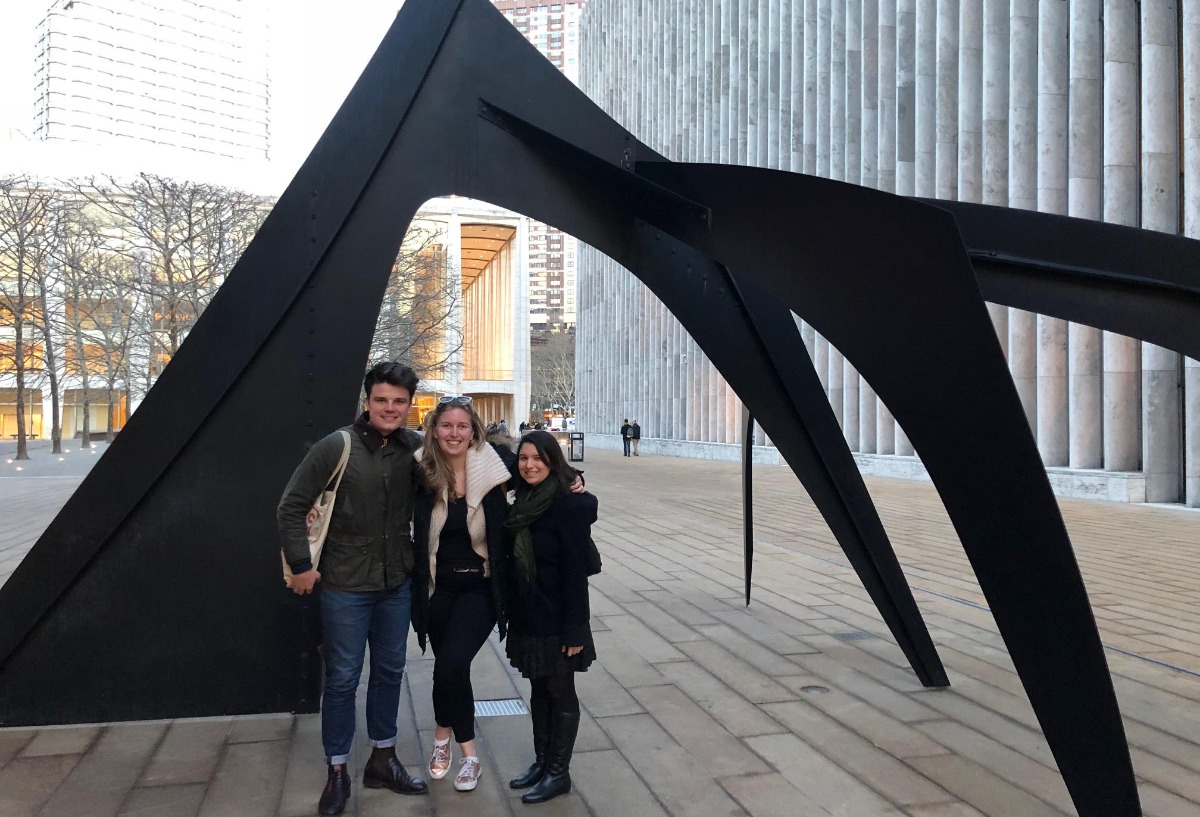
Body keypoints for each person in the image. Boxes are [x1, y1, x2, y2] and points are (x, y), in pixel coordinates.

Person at [277, 362, 428, 817]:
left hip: (395, 583)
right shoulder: (337, 446)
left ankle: (383, 759)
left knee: (389, 673)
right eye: (382, 399)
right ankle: (337, 771)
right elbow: (290, 506)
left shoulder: (415, 449)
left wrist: (568, 480)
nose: (390, 408)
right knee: (342, 680)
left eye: (399, 401)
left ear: (408, 405)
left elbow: (470, 460)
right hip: (345, 584)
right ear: (368, 401)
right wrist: (301, 566)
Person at [411, 396, 514, 793]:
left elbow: (542, 470)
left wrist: (575, 479)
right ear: (435, 429)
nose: (455, 433)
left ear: (474, 430)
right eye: (447, 426)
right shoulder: (420, 470)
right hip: (438, 588)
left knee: (450, 665)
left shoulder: (496, 466)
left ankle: (457, 747)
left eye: (462, 426)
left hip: (479, 587)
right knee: (452, 670)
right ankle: (452, 746)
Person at [504, 430, 599, 805]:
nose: (529, 465)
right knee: (539, 687)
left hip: (560, 616)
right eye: (524, 458)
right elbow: (487, 450)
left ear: (551, 462)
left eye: (538, 459)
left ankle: (559, 772)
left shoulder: (568, 506)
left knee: (560, 690)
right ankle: (542, 762)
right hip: (530, 613)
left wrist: (576, 627)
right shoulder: (523, 499)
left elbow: (575, 571)